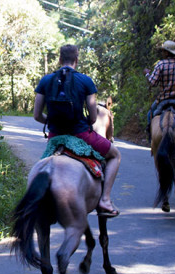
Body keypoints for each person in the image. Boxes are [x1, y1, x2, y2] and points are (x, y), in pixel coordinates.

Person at [33, 44, 121, 217]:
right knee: (115, 155)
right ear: (76, 60)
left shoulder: (45, 81)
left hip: (55, 137)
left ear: (59, 59)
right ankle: (105, 200)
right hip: (81, 134)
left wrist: (50, 122)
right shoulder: (86, 81)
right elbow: (94, 117)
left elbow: (37, 115)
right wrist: (85, 123)